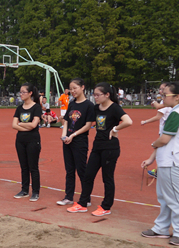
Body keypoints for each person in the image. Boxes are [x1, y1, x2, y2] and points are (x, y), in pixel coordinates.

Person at [67, 83, 133, 216]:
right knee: (88, 175)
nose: (95, 97)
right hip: (97, 146)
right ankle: (82, 203)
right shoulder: (96, 108)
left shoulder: (114, 108)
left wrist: (115, 129)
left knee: (107, 178)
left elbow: (128, 121)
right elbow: (87, 121)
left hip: (110, 148)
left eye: (98, 95)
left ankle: (106, 206)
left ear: (107, 95)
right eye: (94, 95)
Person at [140, 81, 179, 246]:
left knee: (174, 199)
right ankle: (161, 228)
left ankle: (177, 231)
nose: (162, 97)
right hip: (166, 161)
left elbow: (163, 139)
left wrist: (153, 144)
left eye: (165, 95)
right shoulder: (173, 112)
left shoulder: (176, 113)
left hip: (172, 161)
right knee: (164, 198)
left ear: (177, 97)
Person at [57, 78, 95, 206]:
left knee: (81, 170)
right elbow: (66, 120)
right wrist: (64, 135)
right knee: (69, 170)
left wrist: (72, 135)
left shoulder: (89, 105)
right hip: (68, 140)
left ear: (82, 87)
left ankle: (86, 198)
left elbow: (88, 125)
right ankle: (68, 197)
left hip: (80, 141)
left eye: (75, 88)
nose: (72, 91)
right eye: (71, 89)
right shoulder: (72, 103)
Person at [12, 83, 42, 201]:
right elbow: (14, 125)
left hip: (33, 141)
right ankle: (24, 189)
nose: (21, 94)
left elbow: (34, 125)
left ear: (30, 93)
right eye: (20, 92)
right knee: (24, 167)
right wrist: (26, 126)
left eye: (24, 92)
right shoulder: (19, 108)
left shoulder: (36, 107)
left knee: (33, 166)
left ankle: (35, 191)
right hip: (20, 140)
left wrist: (21, 124)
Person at [141, 82, 172, 178]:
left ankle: (158, 171)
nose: (161, 91)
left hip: (166, 129)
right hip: (166, 128)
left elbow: (158, 114)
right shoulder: (169, 104)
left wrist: (145, 121)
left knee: (162, 149)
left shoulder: (167, 104)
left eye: (163, 89)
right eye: (160, 89)